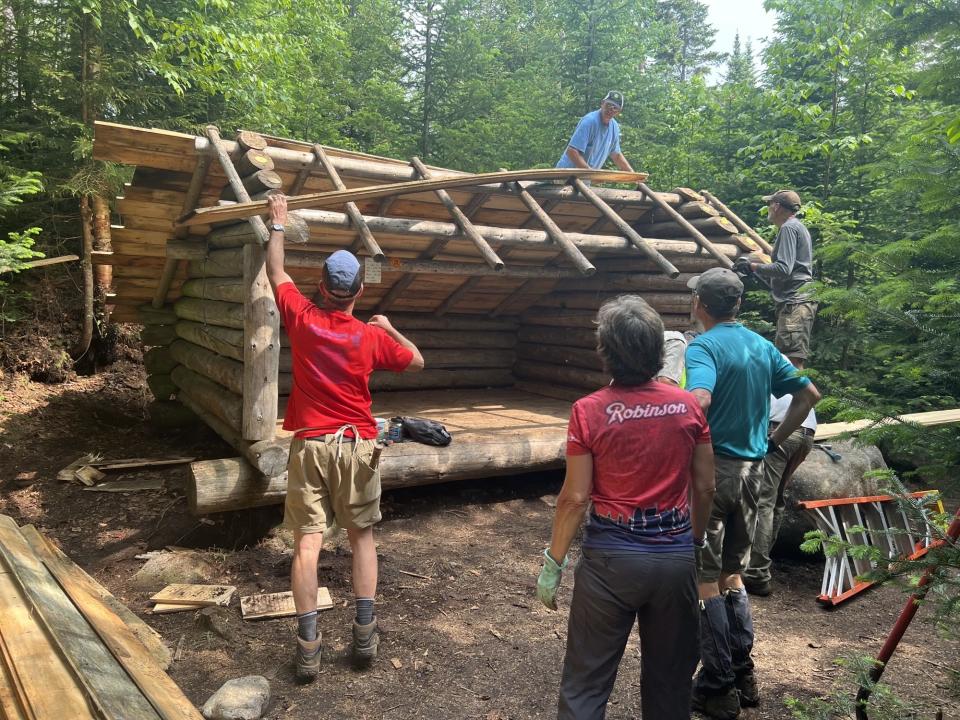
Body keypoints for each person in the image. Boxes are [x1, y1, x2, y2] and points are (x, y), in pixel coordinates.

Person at [264, 193, 425, 681]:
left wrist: (277, 222)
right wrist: (391, 327)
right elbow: (417, 361)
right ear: (358, 293)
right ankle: (363, 634)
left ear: (322, 287)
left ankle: (309, 647)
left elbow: (276, 272)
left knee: (307, 544)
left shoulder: (303, 318)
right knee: (362, 538)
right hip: (357, 445)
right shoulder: (371, 337)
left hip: (311, 445)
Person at [535, 295, 717, 719]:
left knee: (585, 684)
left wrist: (554, 561)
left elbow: (576, 497)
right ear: (659, 350)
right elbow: (705, 485)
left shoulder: (588, 411)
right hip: (674, 556)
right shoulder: (689, 406)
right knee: (671, 685)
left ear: (606, 353)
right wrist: (693, 540)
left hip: (610, 561)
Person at [684, 268, 820, 719]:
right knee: (732, 576)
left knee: (705, 579)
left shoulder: (703, 346)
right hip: (754, 472)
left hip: (712, 475)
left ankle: (717, 687)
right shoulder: (762, 346)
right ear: (737, 305)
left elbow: (699, 401)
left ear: (701, 303)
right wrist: (772, 441)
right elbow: (808, 396)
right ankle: (744, 675)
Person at [742, 390, 817, 596]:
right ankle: (762, 563)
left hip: (780, 430)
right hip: (807, 434)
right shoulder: (798, 373)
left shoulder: (771, 366)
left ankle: (756, 573)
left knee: (763, 501)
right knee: (776, 501)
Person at [740, 189, 816, 369]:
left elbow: (784, 268)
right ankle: (797, 397)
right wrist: (755, 272)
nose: (768, 208)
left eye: (769, 204)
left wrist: (752, 266)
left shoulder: (789, 228)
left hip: (795, 302)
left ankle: (803, 397)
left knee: (791, 361)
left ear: (777, 206)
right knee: (790, 359)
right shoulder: (796, 226)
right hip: (796, 300)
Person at [556, 91, 638, 173]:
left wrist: (632, 173)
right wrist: (591, 174)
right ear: (602, 103)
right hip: (565, 176)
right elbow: (572, 151)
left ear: (618, 112)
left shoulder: (614, 127)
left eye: (615, 108)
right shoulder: (590, 121)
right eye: (608, 105)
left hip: (584, 178)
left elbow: (616, 155)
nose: (610, 110)